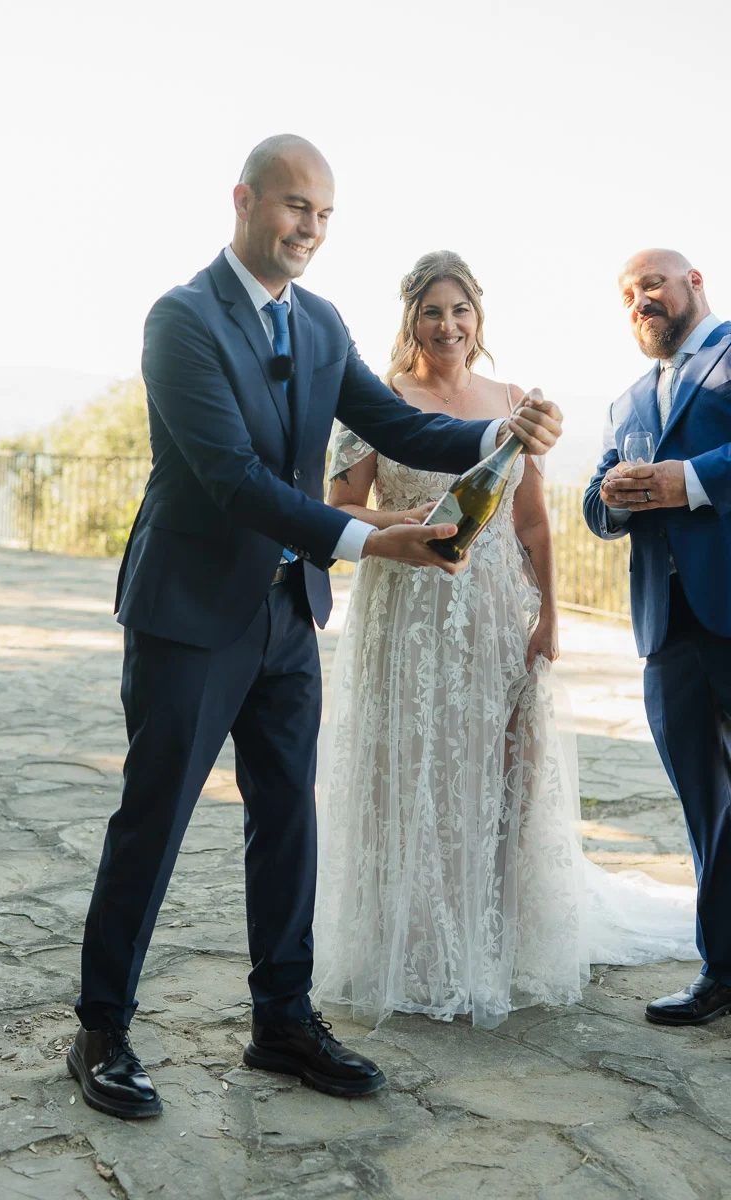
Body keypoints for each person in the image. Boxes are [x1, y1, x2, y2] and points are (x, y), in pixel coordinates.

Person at [66, 138, 564, 1118]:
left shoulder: (323, 322)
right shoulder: (180, 320)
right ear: (245, 199)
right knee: (153, 819)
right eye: (296, 206)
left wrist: (499, 434)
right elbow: (232, 480)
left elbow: (402, 427)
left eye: (325, 214)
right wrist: (370, 543)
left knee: (287, 817)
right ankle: (101, 1029)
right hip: (189, 613)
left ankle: (281, 1022)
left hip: (287, 613)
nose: (310, 228)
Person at [313, 251, 697, 1030]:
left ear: (477, 319)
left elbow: (530, 521)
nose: (448, 325)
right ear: (411, 320)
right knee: (412, 768)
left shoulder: (513, 402)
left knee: (497, 777)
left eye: (461, 311)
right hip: (408, 609)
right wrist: (405, 526)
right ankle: (413, 944)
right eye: (432, 311)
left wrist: (549, 612)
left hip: (493, 608)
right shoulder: (376, 404)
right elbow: (340, 508)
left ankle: (494, 940)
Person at [584, 248, 731, 1027]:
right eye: (627, 294)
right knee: (705, 806)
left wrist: (692, 479)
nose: (639, 300)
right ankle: (721, 971)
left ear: (694, 284)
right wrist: (605, 496)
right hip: (664, 627)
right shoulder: (627, 400)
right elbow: (594, 497)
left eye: (651, 285)